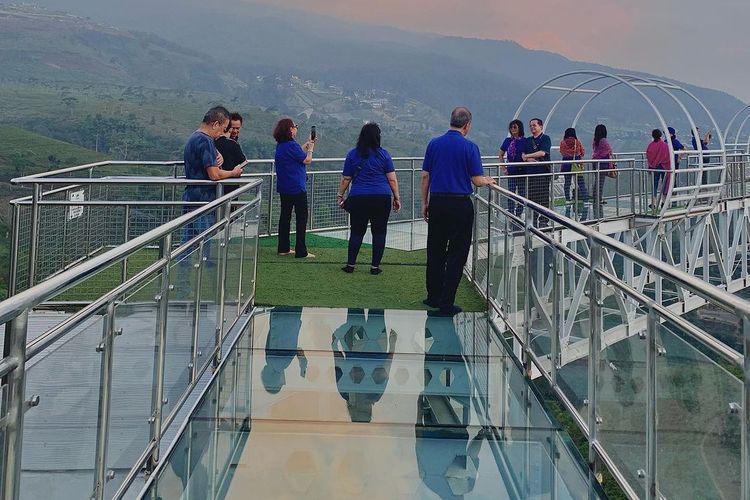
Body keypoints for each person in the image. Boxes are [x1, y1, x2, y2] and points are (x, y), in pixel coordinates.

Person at [421, 107, 496, 316]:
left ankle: (432, 296)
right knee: (457, 253)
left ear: (451, 121)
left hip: (437, 202)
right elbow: (477, 180)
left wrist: (424, 203)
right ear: (467, 125)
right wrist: (488, 180)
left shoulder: (434, 144)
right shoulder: (470, 147)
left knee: (435, 250)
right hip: (460, 205)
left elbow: (425, 176)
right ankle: (446, 302)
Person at [337, 123, 401, 275]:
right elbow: (392, 179)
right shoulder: (384, 155)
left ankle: (350, 265)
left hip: (359, 198)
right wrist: (396, 198)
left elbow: (346, 178)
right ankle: (374, 267)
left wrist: (340, 195)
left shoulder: (353, 154)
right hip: (382, 197)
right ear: (377, 137)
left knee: (357, 232)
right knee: (379, 232)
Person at [181, 106, 242, 247]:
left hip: (190, 195)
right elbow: (214, 174)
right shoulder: (206, 140)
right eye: (224, 128)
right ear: (215, 124)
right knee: (206, 238)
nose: (223, 133)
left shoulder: (194, 137)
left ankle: (185, 266)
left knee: (188, 239)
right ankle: (206, 266)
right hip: (204, 198)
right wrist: (234, 173)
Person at [331, 308, 396, 423]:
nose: (365, 409)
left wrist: (334, 345)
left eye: (362, 412)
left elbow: (339, 365)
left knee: (355, 309)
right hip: (377, 348)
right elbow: (387, 368)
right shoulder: (375, 395)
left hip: (356, 347)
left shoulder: (346, 393)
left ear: (353, 411)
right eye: (367, 412)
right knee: (377, 310)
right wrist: (392, 345)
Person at [273, 118, 315, 258]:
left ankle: (283, 247)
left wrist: (307, 144)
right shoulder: (291, 145)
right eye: (295, 126)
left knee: (285, 217)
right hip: (297, 187)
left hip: (284, 187)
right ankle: (301, 251)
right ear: (290, 129)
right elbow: (306, 160)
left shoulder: (282, 145)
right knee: (301, 218)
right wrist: (311, 150)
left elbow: (297, 152)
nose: (296, 128)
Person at [521, 118, 552, 226]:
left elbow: (542, 153)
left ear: (541, 127)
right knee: (531, 196)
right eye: (531, 126)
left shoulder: (545, 138)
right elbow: (523, 155)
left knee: (543, 196)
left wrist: (528, 156)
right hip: (531, 173)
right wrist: (528, 158)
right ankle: (532, 219)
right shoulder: (528, 140)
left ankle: (543, 219)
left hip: (542, 172)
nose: (532, 127)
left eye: (534, 125)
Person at [214, 112, 247, 195]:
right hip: (228, 182)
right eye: (233, 128)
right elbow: (243, 161)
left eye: (237, 128)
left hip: (226, 183)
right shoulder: (231, 143)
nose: (235, 131)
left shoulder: (215, 141)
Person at [499, 119, 526, 216]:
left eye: (515, 127)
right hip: (511, 170)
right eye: (511, 127)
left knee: (522, 194)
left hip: (523, 171)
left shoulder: (524, 141)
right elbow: (501, 154)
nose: (512, 129)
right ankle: (511, 213)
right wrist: (504, 168)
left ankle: (518, 213)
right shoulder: (507, 141)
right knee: (511, 193)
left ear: (520, 128)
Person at [591, 124, 615, 218]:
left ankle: (595, 197)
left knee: (597, 181)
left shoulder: (595, 140)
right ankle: (598, 198)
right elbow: (608, 150)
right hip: (603, 163)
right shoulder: (603, 141)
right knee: (600, 182)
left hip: (595, 162)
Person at [559, 127, 588, 203]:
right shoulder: (577, 142)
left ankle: (568, 199)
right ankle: (585, 199)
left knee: (567, 182)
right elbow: (582, 152)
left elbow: (561, 152)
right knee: (581, 182)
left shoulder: (563, 142)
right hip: (576, 163)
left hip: (566, 164)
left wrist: (568, 154)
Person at [646, 129, 671, 208]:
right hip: (664, 166)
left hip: (654, 167)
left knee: (654, 184)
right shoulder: (665, 145)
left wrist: (653, 163)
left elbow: (649, 156)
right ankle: (663, 202)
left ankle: (653, 203)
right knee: (664, 184)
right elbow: (668, 156)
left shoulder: (650, 145)